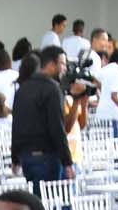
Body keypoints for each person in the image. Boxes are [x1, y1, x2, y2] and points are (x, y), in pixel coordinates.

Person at [10, 46, 73, 186]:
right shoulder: (53, 89)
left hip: (27, 158)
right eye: (62, 64)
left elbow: (16, 125)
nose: (65, 68)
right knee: (50, 202)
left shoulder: (23, 89)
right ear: (51, 65)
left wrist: (15, 158)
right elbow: (57, 127)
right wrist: (67, 162)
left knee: (36, 201)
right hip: (47, 157)